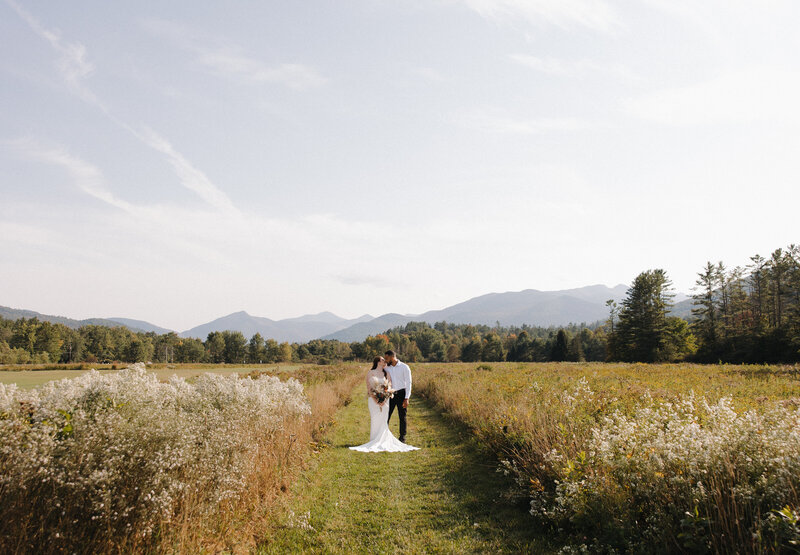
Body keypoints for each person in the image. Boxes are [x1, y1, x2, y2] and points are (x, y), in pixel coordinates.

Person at [349, 356, 418, 453]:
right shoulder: (371, 372)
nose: (384, 361)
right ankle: (374, 439)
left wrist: (384, 400)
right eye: (382, 360)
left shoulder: (387, 372)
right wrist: (376, 400)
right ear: (377, 362)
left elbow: (389, 387)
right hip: (373, 401)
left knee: (384, 419)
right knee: (375, 419)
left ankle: (385, 438)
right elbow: (369, 388)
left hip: (385, 401)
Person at [384, 349, 412, 443]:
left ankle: (402, 437)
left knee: (402, 416)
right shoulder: (386, 368)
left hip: (401, 394)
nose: (385, 360)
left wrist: (406, 398)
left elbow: (408, 383)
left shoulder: (404, 367)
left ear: (392, 357)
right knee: (386, 416)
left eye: (387, 358)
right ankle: (384, 436)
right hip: (390, 394)